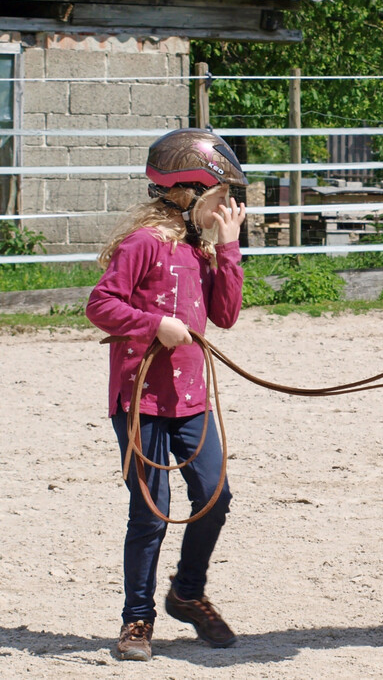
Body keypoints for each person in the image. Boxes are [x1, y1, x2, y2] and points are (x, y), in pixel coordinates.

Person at [86, 128, 249, 661]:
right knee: (150, 512)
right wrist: (155, 323)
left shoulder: (202, 253)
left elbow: (224, 315)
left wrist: (228, 250)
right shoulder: (142, 245)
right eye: (221, 197)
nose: (227, 207)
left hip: (190, 402)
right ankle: (137, 621)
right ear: (189, 190)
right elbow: (100, 306)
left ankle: (187, 591)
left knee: (215, 497)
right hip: (141, 404)